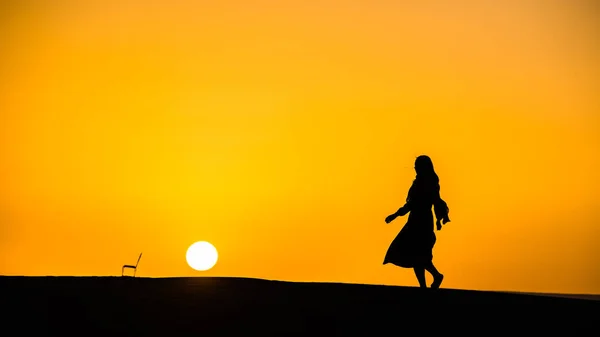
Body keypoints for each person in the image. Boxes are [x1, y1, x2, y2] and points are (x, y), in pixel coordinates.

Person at [383, 155, 450, 289]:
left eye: (417, 166)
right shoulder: (425, 183)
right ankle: (425, 284)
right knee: (416, 255)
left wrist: (395, 215)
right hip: (417, 221)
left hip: (420, 222)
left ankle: (434, 277)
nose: (415, 169)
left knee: (418, 255)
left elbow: (413, 204)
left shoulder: (424, 185)